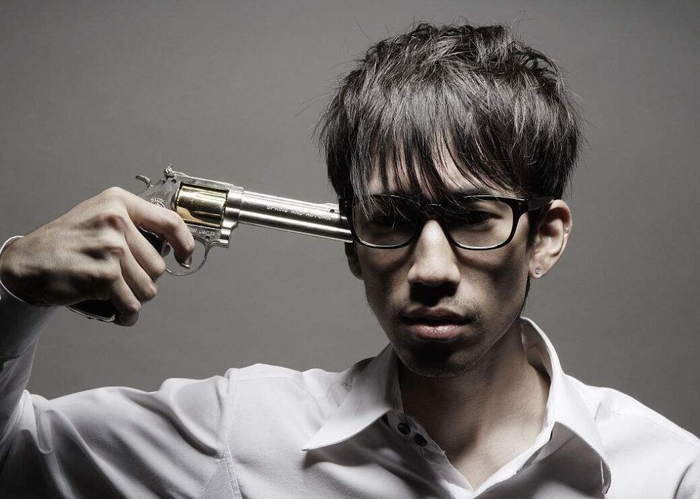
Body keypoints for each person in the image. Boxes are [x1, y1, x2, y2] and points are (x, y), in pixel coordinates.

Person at [0, 21, 697, 498]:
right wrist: (12, 286)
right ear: (350, 243)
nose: (429, 269)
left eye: (471, 219)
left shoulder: (669, 476)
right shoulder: (242, 433)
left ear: (544, 237)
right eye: (390, 221)